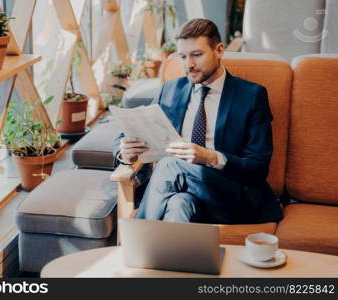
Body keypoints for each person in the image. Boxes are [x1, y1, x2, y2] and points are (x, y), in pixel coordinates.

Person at [113, 18, 283, 224]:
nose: (189, 65)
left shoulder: (251, 96)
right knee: (178, 204)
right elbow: (131, 131)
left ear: (219, 50)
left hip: (230, 195)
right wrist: (125, 152)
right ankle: (167, 256)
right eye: (183, 57)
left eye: (197, 55)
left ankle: (133, 240)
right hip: (182, 191)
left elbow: (258, 167)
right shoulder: (171, 89)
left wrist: (210, 157)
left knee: (168, 166)